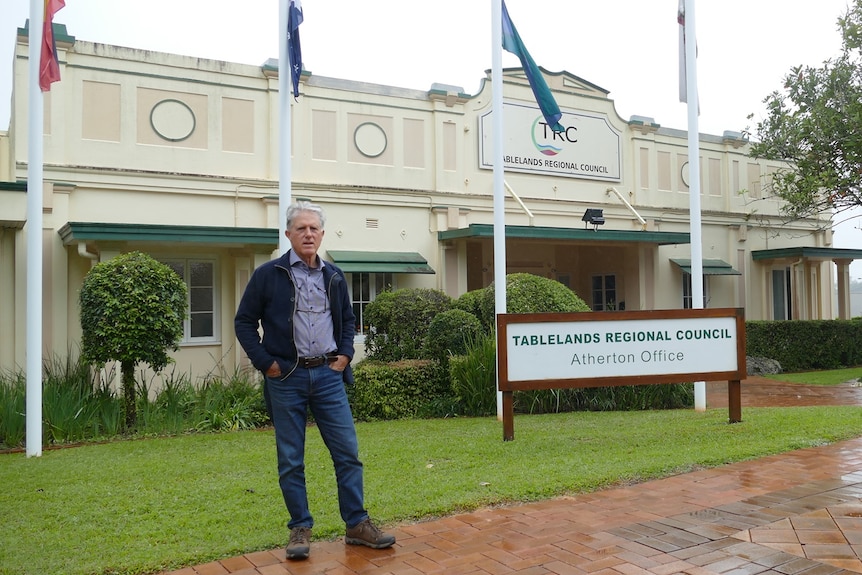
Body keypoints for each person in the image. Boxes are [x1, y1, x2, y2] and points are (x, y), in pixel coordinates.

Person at [234, 201, 395, 560]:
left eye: (314, 229)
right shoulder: (268, 274)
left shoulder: (333, 276)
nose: (308, 234)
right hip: (286, 376)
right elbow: (244, 322)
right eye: (301, 228)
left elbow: (349, 319)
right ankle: (300, 528)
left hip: (328, 376)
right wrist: (266, 363)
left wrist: (345, 355)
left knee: (347, 454)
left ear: (322, 235)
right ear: (288, 234)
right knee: (291, 459)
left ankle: (356, 524)